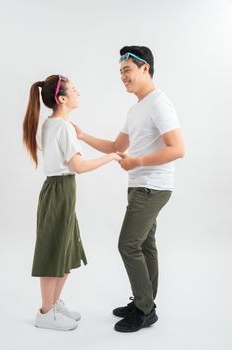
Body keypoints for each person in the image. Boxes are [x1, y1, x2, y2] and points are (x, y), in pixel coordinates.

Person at [71, 46, 185, 333]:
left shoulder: (160, 103)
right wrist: (83, 136)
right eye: (120, 72)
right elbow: (116, 147)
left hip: (153, 186)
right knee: (145, 244)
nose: (123, 77)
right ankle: (145, 302)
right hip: (140, 185)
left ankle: (145, 309)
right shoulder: (136, 109)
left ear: (145, 68)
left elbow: (178, 149)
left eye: (127, 70)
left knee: (128, 245)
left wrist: (139, 161)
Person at [22, 74, 121, 331]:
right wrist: (110, 157)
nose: (79, 93)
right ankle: (45, 313)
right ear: (62, 98)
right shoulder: (62, 127)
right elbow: (78, 166)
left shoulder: (52, 124)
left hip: (59, 191)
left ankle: (53, 305)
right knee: (54, 251)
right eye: (74, 90)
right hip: (60, 190)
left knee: (65, 250)